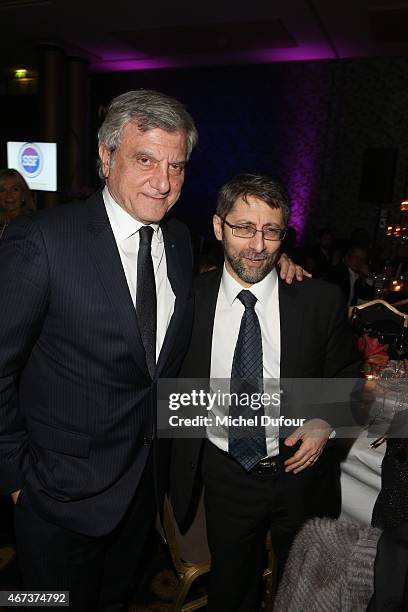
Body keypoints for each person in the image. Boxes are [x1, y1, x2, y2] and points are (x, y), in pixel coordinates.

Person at [0, 91, 303, 611]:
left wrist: (276, 273)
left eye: (176, 166)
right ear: (105, 157)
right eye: (145, 159)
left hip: (143, 492)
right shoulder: (42, 240)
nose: (162, 182)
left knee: (115, 601)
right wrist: (16, 478)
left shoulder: (181, 240)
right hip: (57, 494)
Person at [170, 173, 361, 612]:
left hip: (301, 474)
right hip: (225, 473)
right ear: (219, 228)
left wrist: (325, 418)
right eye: (243, 228)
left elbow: (350, 374)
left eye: (271, 231)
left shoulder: (319, 300)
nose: (257, 245)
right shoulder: (186, 301)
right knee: (231, 589)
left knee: (308, 590)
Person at [0, 168, 35, 238]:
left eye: (15, 189)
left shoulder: (32, 225)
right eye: (3, 190)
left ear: (23, 195)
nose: (9, 195)